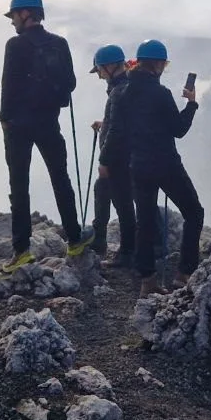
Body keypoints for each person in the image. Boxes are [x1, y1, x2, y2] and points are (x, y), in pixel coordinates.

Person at [103, 39, 204, 296]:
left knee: (145, 222)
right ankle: (184, 273)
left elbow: (115, 133)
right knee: (194, 212)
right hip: (166, 164)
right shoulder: (160, 93)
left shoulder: (119, 93)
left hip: (138, 166)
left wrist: (104, 161)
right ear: (158, 64)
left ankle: (147, 282)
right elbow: (178, 130)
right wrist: (191, 104)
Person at [0, 0, 83, 273]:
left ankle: (21, 251)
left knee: (19, 186)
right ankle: (74, 239)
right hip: (49, 122)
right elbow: (70, 83)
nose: (12, 22)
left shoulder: (15, 45)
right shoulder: (59, 43)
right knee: (61, 178)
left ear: (25, 14)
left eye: (13, 16)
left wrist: (5, 119)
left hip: (19, 126)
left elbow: (8, 86)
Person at [88, 44, 138, 266]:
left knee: (122, 201)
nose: (99, 75)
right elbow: (120, 121)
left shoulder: (121, 89)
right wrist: (105, 122)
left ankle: (126, 252)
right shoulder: (123, 86)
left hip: (119, 158)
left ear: (109, 67)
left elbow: (120, 129)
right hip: (124, 155)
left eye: (99, 69)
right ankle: (101, 242)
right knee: (107, 192)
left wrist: (105, 161)